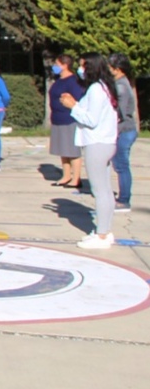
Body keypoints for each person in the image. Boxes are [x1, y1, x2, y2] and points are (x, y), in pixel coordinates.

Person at [60, 53, 119, 249]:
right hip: (107, 141)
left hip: (97, 143)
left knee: (99, 190)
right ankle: (105, 230)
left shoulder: (96, 89)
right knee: (105, 189)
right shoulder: (105, 87)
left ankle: (102, 235)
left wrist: (73, 106)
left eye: (83, 66)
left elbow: (91, 120)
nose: (80, 69)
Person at [49, 54, 86, 189]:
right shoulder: (59, 80)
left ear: (65, 65)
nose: (55, 67)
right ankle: (66, 176)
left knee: (72, 150)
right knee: (62, 149)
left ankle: (76, 178)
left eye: (57, 64)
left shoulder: (73, 80)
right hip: (57, 118)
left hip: (69, 118)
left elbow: (78, 98)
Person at [108, 53, 139, 212]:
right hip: (125, 129)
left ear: (118, 69)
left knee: (122, 166)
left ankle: (124, 199)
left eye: (110, 66)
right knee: (120, 165)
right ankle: (123, 197)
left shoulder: (120, 86)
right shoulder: (121, 83)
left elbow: (118, 112)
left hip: (125, 130)